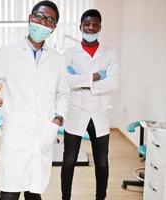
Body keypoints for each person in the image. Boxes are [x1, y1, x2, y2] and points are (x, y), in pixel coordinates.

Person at [0, 1, 69, 199]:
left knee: (34, 193)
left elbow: (63, 93)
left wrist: (57, 120)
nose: (43, 22)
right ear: (30, 18)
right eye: (39, 17)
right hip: (16, 135)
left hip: (43, 132)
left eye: (50, 20)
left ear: (54, 28)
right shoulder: (8, 54)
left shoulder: (57, 59)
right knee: (9, 194)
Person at [61, 9, 120, 200]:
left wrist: (81, 82)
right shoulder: (69, 53)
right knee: (69, 160)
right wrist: (95, 77)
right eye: (87, 24)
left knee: (102, 162)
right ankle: (65, 198)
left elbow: (113, 83)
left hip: (99, 113)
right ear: (80, 27)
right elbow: (66, 81)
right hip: (76, 111)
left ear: (100, 27)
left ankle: (100, 197)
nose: (91, 28)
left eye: (95, 25)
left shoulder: (110, 53)